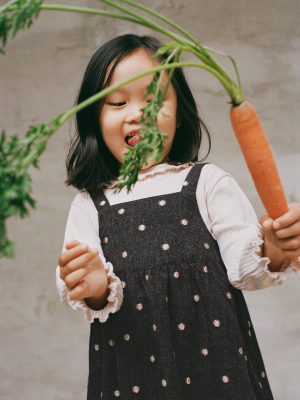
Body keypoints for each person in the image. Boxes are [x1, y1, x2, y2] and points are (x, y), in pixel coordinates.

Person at [56, 34, 300, 400]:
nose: (137, 113)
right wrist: (94, 287)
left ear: (181, 113)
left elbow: (246, 269)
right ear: (95, 119)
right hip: (132, 377)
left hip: (219, 374)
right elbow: (78, 287)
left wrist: (276, 248)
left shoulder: (207, 183)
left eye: (154, 99)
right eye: (118, 101)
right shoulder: (89, 206)